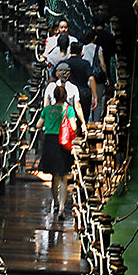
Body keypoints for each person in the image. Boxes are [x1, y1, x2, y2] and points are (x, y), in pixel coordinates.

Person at [36, 85, 78, 220]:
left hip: (49, 142)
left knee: (54, 175)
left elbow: (38, 125)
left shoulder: (47, 109)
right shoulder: (68, 109)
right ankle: (61, 209)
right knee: (64, 176)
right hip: (63, 143)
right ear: (65, 96)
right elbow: (74, 127)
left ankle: (55, 203)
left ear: (53, 96)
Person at [44, 62, 87, 131]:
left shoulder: (50, 87)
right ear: (68, 75)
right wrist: (83, 123)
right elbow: (77, 106)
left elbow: (46, 105)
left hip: (53, 121)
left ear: (57, 74)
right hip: (68, 122)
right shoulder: (73, 88)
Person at [66, 40, 97, 122]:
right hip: (84, 93)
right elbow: (91, 78)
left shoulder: (65, 64)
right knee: (84, 118)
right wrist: (95, 96)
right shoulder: (85, 64)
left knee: (69, 118)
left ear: (70, 51)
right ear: (81, 52)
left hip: (68, 93)